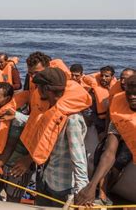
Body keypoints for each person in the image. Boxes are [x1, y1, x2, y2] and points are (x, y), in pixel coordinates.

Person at [18, 68, 91, 207]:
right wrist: (15, 116)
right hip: (44, 178)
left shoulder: (72, 119)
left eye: (38, 87)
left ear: (46, 89)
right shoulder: (49, 108)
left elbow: (79, 157)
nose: (36, 91)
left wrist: (82, 190)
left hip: (61, 186)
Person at [75, 75, 136, 207]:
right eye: (129, 93)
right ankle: (102, 193)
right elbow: (109, 153)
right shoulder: (119, 106)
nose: (132, 97)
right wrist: (91, 186)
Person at [89, 66, 116, 135]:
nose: (103, 78)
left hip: (114, 118)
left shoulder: (117, 87)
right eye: (101, 75)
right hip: (100, 119)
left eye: (106, 76)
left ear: (112, 77)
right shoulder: (94, 89)